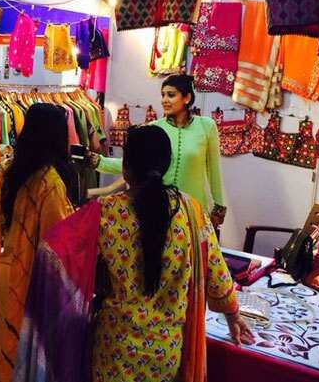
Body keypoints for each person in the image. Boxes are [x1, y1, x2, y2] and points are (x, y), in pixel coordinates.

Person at [15, 125, 253, 382]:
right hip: (166, 353)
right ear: (167, 165)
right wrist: (233, 315)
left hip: (114, 350)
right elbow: (217, 274)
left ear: (126, 167)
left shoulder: (104, 211)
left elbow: (52, 251)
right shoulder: (191, 212)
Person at [0, 103, 74, 382]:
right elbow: (57, 242)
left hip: (6, 272)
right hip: (29, 281)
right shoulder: (49, 182)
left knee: (6, 352)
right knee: (25, 363)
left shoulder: (13, 174)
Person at [90, 74, 227, 229]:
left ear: (187, 98)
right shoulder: (155, 128)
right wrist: (99, 162)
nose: (164, 100)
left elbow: (214, 169)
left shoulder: (206, 126)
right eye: (163, 95)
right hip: (159, 206)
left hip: (194, 208)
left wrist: (219, 205)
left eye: (171, 95)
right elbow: (136, 164)